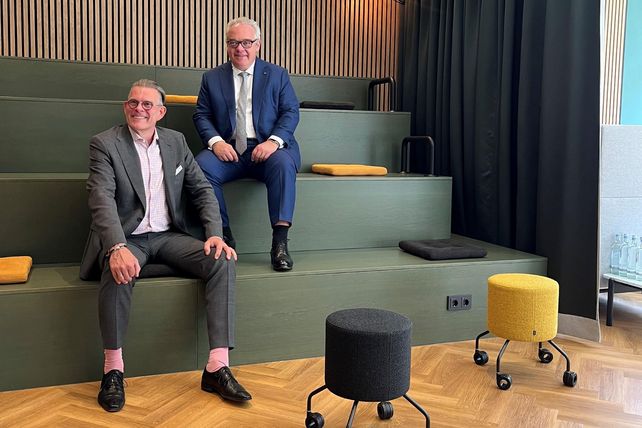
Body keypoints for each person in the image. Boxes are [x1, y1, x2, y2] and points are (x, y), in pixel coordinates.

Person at [79, 79, 252, 413]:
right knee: (118, 268)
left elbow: (202, 189)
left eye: (147, 104)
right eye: (133, 103)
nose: (139, 109)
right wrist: (115, 247)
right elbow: (101, 198)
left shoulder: (175, 141)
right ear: (125, 107)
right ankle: (113, 370)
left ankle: (217, 367)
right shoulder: (105, 143)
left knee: (222, 259)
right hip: (128, 237)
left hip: (170, 236)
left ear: (160, 112)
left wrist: (214, 233)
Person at [193, 16, 300, 272]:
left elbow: (290, 111)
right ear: (227, 45)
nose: (240, 48)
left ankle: (280, 244)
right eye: (233, 42)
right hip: (228, 149)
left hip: (267, 148)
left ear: (258, 44)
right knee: (200, 167)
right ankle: (224, 235)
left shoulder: (277, 75)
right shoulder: (212, 77)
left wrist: (273, 142)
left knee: (284, 164)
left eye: (246, 42)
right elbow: (202, 115)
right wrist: (216, 142)